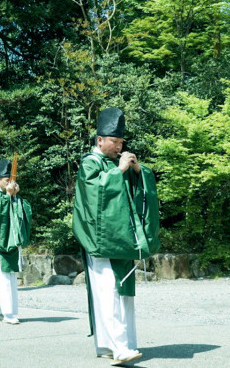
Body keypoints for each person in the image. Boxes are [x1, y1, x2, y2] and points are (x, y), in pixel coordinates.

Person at [72, 108, 160, 365]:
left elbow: (139, 192)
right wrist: (119, 170)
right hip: (100, 238)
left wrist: (136, 170)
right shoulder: (90, 162)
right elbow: (94, 192)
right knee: (108, 290)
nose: (119, 146)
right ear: (100, 140)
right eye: (114, 142)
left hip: (121, 236)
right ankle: (119, 348)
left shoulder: (115, 163)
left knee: (122, 291)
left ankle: (115, 344)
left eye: (121, 142)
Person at [0, 158, 32, 325]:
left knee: (10, 276)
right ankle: (7, 314)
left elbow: (23, 212)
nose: (10, 183)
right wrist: (9, 196)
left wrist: (15, 197)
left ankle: (2, 311)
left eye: (12, 180)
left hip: (12, 240)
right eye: (6, 180)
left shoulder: (12, 195)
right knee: (1, 275)